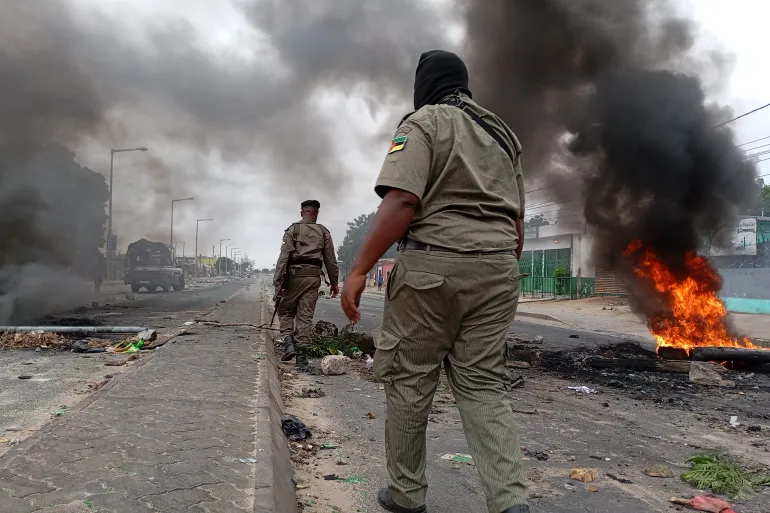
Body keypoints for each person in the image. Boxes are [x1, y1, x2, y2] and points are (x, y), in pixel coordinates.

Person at [340, 50, 528, 513]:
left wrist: (361, 268)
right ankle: (510, 503)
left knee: (408, 380)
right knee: (484, 386)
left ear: (425, 85)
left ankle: (406, 496)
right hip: (499, 269)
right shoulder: (502, 134)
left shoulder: (424, 123)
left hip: (432, 270)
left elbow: (403, 200)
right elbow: (518, 223)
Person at [273, 200, 340, 370]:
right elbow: (331, 260)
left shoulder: (292, 230)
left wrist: (278, 280)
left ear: (302, 212)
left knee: (285, 310)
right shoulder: (323, 232)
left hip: (293, 276)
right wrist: (334, 283)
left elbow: (283, 257)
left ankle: (289, 343)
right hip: (312, 277)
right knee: (305, 316)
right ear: (316, 213)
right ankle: (301, 359)